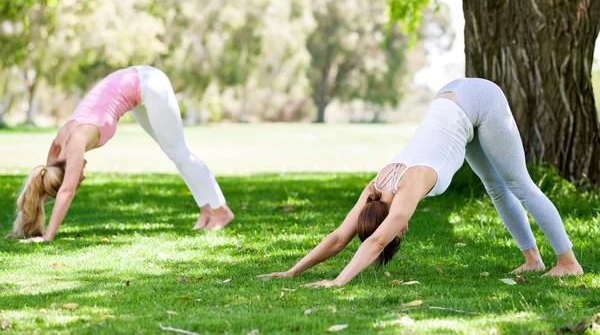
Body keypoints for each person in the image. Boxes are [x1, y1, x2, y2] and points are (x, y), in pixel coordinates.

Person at [258, 78, 583, 286]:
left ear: (391, 226)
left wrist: (337, 282)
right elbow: (340, 237)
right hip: (451, 104)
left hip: (478, 99)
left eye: (399, 234)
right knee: (495, 187)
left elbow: (375, 242)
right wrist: (292, 272)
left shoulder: (406, 188)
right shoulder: (376, 187)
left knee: (518, 183)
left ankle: (568, 262)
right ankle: (532, 259)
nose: (405, 231)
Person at [8, 66, 234, 243]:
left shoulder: (74, 142)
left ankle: (221, 212)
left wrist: (48, 237)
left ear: (70, 172)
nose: (81, 178)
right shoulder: (59, 147)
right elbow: (45, 185)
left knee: (178, 151)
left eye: (78, 179)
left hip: (149, 83)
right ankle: (206, 210)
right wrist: (28, 227)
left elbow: (65, 191)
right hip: (136, 86)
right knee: (174, 152)